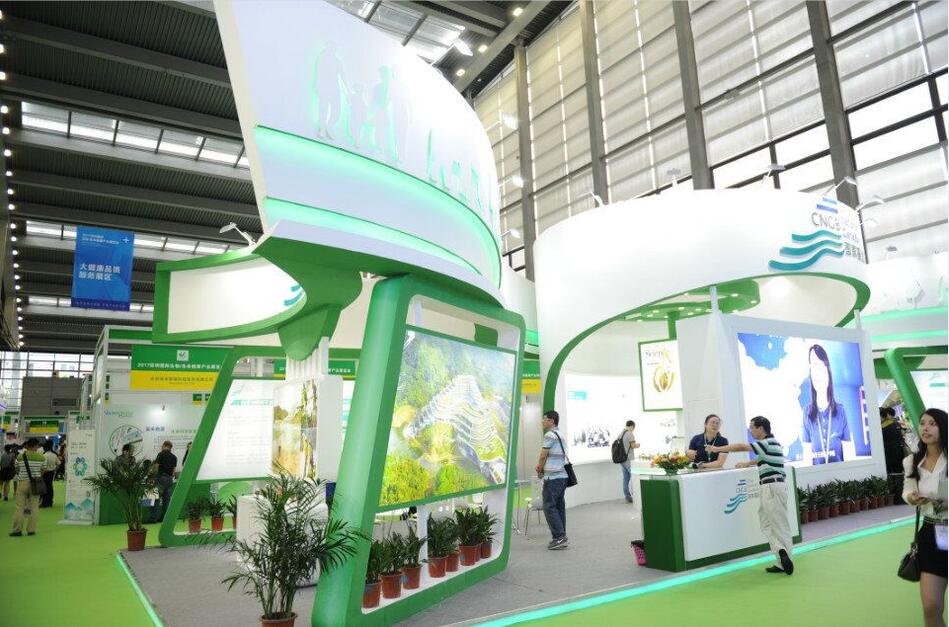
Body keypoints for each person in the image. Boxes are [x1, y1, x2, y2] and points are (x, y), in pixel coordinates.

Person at [708, 416, 794, 575]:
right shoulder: (772, 443)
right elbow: (762, 459)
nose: (750, 431)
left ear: (760, 428)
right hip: (772, 486)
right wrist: (747, 463)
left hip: (771, 487)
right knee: (766, 523)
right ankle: (781, 552)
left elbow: (741, 446)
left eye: (752, 428)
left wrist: (717, 449)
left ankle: (784, 557)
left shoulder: (766, 443)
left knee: (778, 525)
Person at [901, 408, 947, 627]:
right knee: (930, 605)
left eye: (932, 424)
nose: (926, 428)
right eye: (922, 423)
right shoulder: (911, 461)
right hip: (930, 533)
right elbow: (907, 490)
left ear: (943, 427)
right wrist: (912, 497)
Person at [801, 344, 852, 465]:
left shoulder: (840, 411)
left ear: (828, 370)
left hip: (840, 473)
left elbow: (849, 452)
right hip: (817, 474)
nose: (817, 372)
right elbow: (807, 455)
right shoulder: (807, 412)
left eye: (820, 365)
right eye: (813, 366)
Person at [536, 410, 568, 550]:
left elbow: (543, 455)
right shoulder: (560, 434)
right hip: (562, 476)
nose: (542, 421)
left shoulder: (549, 435)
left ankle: (559, 536)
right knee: (559, 506)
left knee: (549, 506)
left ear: (552, 421)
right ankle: (561, 536)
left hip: (553, 477)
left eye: (545, 419)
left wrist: (540, 469)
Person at [10, 438, 45, 537]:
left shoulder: (20, 456)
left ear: (27, 445)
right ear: (36, 446)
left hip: (22, 483)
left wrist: (22, 475)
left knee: (19, 507)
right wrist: (37, 476)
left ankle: (17, 530)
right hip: (36, 484)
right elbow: (43, 470)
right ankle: (31, 530)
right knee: (34, 507)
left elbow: (17, 469)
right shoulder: (41, 457)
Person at [149, 441, 177, 524]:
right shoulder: (174, 457)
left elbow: (156, 467)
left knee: (155, 498)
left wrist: (153, 476)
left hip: (160, 478)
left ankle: (153, 518)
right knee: (166, 500)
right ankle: (164, 518)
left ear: (164, 446)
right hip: (169, 479)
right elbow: (173, 471)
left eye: (162, 445)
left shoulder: (161, 454)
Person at [620, 420, 640, 503]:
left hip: (622, 460)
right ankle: (636, 496)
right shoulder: (629, 433)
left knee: (625, 479)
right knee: (634, 477)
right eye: (633, 428)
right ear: (632, 426)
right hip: (629, 459)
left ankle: (627, 496)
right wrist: (638, 445)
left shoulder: (621, 433)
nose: (633, 430)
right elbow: (633, 446)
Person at [881, 407, 906, 474]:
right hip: (898, 453)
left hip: (889, 455)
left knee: (893, 472)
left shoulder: (883, 428)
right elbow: (902, 435)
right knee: (899, 471)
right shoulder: (896, 423)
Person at [40, 440, 58, 508]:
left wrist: (41, 474)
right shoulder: (54, 455)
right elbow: (58, 463)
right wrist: (55, 470)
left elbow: (43, 467)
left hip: (45, 473)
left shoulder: (44, 455)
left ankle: (44, 503)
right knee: (50, 487)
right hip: (51, 473)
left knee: (44, 488)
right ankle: (50, 502)